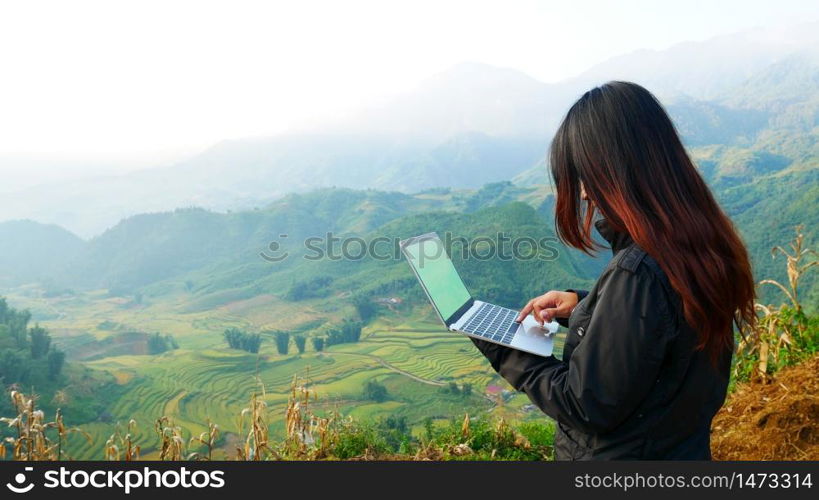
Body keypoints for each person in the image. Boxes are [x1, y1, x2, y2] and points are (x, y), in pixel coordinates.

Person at [471, 81, 756, 460]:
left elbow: (585, 405)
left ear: (619, 169)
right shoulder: (701, 248)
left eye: (586, 176)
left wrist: (501, 345)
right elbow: (660, 331)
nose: (585, 194)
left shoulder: (637, 273)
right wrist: (586, 307)